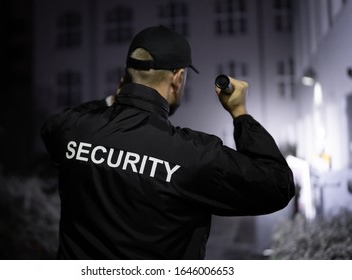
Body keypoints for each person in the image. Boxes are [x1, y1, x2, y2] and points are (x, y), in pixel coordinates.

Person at [41, 25, 295, 259]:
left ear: (127, 75)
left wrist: (113, 102)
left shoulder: (72, 130)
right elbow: (277, 184)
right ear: (177, 78)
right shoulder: (192, 155)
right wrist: (240, 114)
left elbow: (52, 126)